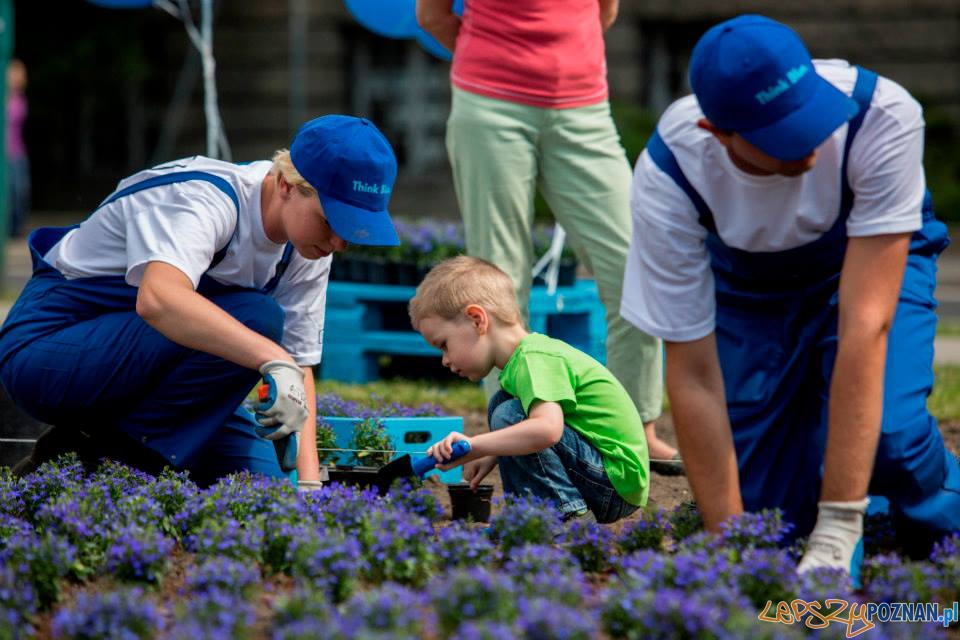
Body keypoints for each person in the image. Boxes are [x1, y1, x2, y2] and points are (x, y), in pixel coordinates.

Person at [621, 14, 960, 583]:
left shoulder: (881, 117)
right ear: (716, 130)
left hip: (869, 258)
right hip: (750, 289)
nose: (807, 142)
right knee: (766, 517)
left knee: (889, 435)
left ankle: (936, 514)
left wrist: (838, 526)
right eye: (778, 132)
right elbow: (695, 373)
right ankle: (864, 503)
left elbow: (865, 327)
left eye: (808, 115)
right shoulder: (671, 173)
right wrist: (732, 548)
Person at [0, 115, 401, 487]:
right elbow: (159, 299)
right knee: (258, 318)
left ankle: (103, 449)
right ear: (285, 185)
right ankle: (106, 457)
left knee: (263, 486)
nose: (339, 244)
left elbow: (301, 368)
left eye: (353, 230)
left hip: (139, 371)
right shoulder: (202, 197)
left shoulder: (307, 247)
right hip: (47, 352)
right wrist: (271, 357)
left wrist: (309, 484)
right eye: (332, 222)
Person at [415, 0, 678, 474]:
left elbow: (605, 11)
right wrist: (499, 64)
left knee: (634, 266)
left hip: (584, 107)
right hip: (490, 104)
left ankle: (637, 427)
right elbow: (432, 15)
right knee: (497, 281)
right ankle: (508, 438)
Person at [410, 256, 649, 523]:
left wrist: (473, 446)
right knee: (503, 406)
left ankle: (563, 519)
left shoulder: (534, 359)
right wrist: (493, 451)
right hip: (603, 475)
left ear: (477, 320)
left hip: (614, 483)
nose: (445, 360)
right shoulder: (522, 364)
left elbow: (546, 430)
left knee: (510, 414)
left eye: (444, 344)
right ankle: (528, 519)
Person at [6, 58, 30, 238]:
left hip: (17, 152)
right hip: (5, 154)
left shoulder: (19, 98)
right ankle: (8, 230)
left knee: (20, 191)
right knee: (11, 192)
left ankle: (16, 230)